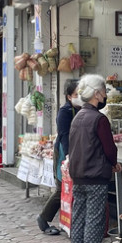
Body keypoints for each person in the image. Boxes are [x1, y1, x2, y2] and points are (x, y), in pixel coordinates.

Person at [68, 74, 121, 243]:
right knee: (94, 222)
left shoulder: (78, 117)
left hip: (78, 175)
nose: (105, 94)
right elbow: (109, 148)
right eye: (104, 91)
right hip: (95, 177)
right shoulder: (99, 119)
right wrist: (114, 163)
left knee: (78, 221)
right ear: (97, 93)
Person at [36, 79, 82, 235]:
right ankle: (43, 218)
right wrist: (69, 157)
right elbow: (64, 135)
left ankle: (68, 221)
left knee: (69, 188)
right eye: (77, 94)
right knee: (62, 187)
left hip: (75, 151)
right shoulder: (65, 112)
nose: (80, 96)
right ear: (69, 96)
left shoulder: (80, 109)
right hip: (64, 151)